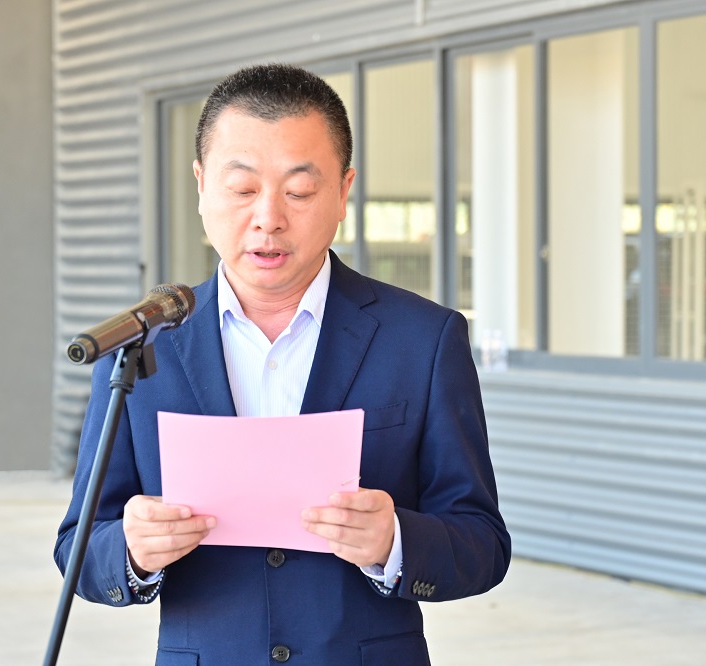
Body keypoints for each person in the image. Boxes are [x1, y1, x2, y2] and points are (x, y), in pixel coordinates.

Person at [54, 62, 510, 665]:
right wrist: (133, 551)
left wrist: (395, 540)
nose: (268, 217)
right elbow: (80, 547)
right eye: (243, 189)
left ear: (343, 192)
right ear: (201, 186)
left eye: (298, 191)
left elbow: (481, 543)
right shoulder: (144, 346)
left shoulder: (423, 339)